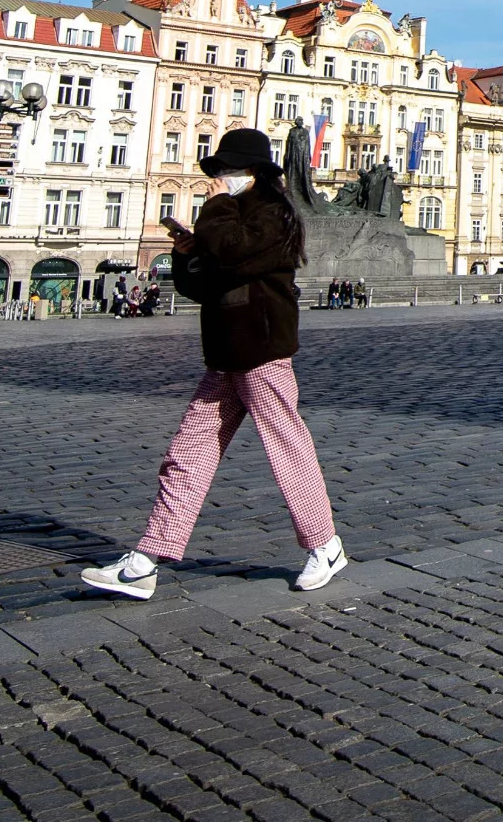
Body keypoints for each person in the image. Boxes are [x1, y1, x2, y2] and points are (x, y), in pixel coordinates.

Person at [83, 128, 345, 600]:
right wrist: (185, 256)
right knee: (188, 451)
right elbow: (203, 283)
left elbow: (230, 251)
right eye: (219, 173)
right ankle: (149, 556)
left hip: (262, 349)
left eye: (228, 172)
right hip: (226, 353)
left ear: (253, 173)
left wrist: (216, 210)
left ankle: (324, 544)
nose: (220, 179)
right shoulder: (231, 217)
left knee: (287, 447)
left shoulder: (274, 214)